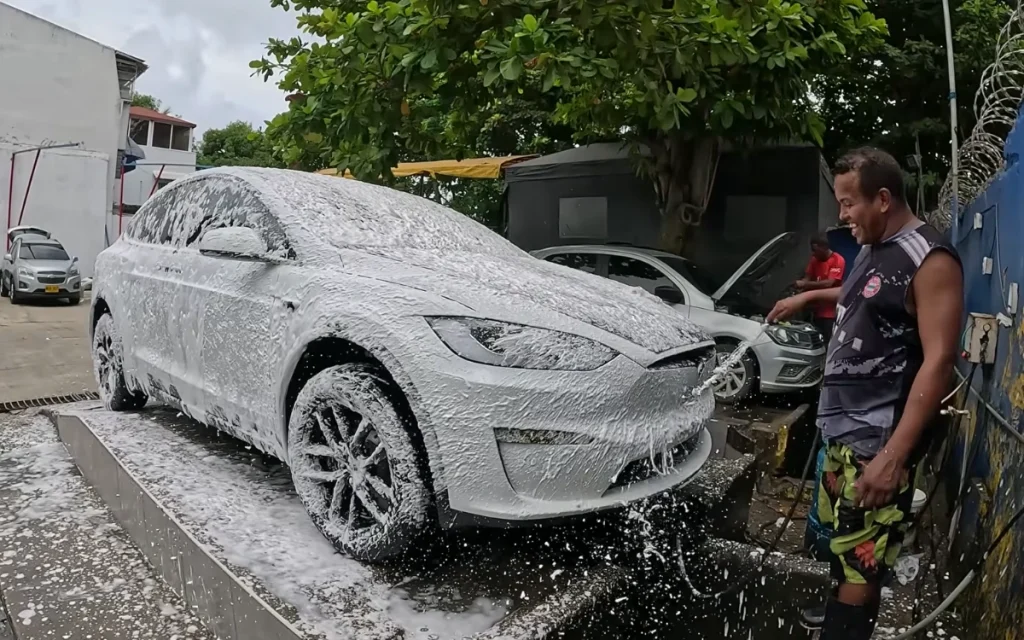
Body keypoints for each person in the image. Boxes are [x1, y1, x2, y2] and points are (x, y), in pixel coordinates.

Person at [767, 147, 963, 640]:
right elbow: (865, 293)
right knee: (843, 547)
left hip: (877, 442)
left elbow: (940, 361)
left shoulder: (931, 259)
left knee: (861, 563)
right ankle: (837, 617)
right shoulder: (875, 250)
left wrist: (894, 457)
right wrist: (810, 295)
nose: (842, 215)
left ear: (881, 199)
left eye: (848, 203)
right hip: (840, 435)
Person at [794, 233, 846, 343]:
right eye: (812, 250)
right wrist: (798, 286)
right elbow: (807, 278)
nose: (813, 253)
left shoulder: (838, 260)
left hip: (830, 313)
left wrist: (805, 285)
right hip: (815, 310)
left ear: (824, 248)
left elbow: (829, 283)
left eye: (815, 250)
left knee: (829, 341)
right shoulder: (814, 260)